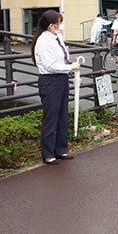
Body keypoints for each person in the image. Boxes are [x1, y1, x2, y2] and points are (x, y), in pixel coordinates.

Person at [31, 10, 80, 165]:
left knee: (62, 117)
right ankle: (48, 153)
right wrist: (69, 67)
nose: (61, 26)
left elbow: (61, 57)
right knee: (51, 118)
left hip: (61, 79)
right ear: (51, 26)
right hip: (50, 81)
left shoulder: (57, 37)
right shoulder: (43, 41)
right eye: (59, 23)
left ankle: (61, 149)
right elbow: (50, 65)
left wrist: (69, 66)